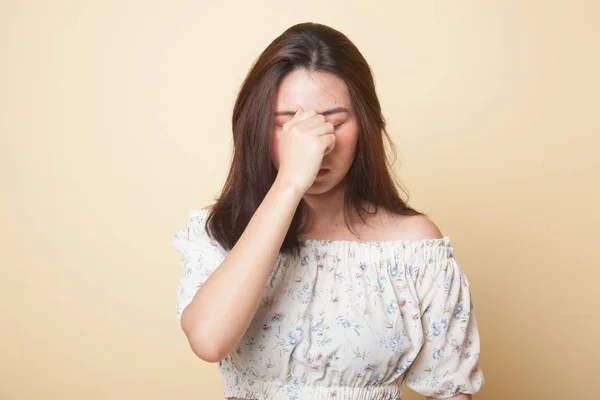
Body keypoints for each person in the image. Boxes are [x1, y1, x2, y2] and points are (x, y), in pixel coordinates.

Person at [171, 22, 484, 400]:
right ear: (256, 128)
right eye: (288, 125)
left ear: (364, 124)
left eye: (333, 122)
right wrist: (290, 182)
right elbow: (208, 340)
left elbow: (450, 389)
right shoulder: (221, 230)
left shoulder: (413, 246)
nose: (317, 144)